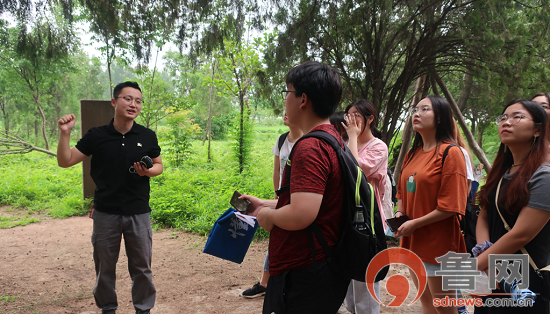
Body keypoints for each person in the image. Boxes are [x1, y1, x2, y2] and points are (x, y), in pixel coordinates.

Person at [240, 61, 350, 313]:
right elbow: (313, 201)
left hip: (302, 271)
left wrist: (267, 216)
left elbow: (301, 214)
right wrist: (266, 203)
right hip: (321, 266)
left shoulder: (310, 147)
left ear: (303, 99)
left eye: (288, 92)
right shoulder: (333, 139)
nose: (285, 99)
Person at [56, 81, 162, 314]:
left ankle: (143, 310)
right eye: (127, 99)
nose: (133, 104)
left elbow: (158, 165)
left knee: (142, 268)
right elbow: (65, 161)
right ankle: (108, 309)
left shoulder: (147, 135)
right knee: (104, 267)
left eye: (138, 101)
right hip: (106, 214)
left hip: (139, 212)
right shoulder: (97, 135)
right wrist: (65, 134)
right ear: (114, 102)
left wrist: (148, 171)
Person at [394, 95, 468, 314]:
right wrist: (399, 212)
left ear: (439, 118)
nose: (416, 114)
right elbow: (401, 192)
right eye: (414, 109)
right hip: (413, 239)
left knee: (444, 307)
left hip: (439, 244)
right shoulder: (411, 153)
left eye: (424, 109)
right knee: (425, 302)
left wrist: (415, 223)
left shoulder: (451, 152)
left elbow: (451, 205)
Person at [475, 99, 550, 314]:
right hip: (492, 275)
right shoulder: (501, 172)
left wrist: (476, 265)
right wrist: (486, 259)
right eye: (503, 118)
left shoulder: (544, 177)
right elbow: (483, 216)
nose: (506, 122)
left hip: (522, 281)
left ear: (537, 130)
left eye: (517, 117)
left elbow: (520, 235)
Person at [241, 113, 302, 298]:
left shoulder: (307, 140)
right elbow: (277, 170)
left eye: (287, 110)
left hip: (300, 197)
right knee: (277, 236)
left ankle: (272, 284)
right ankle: (265, 283)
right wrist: (276, 192)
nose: (285, 113)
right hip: (283, 196)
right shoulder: (282, 140)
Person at [341, 99, 388, 314]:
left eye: (356, 115)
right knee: (348, 276)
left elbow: (356, 170)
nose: (351, 120)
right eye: (348, 115)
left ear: (370, 119)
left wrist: (351, 136)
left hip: (368, 219)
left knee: (365, 278)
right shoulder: (345, 143)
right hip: (346, 215)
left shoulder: (378, 146)